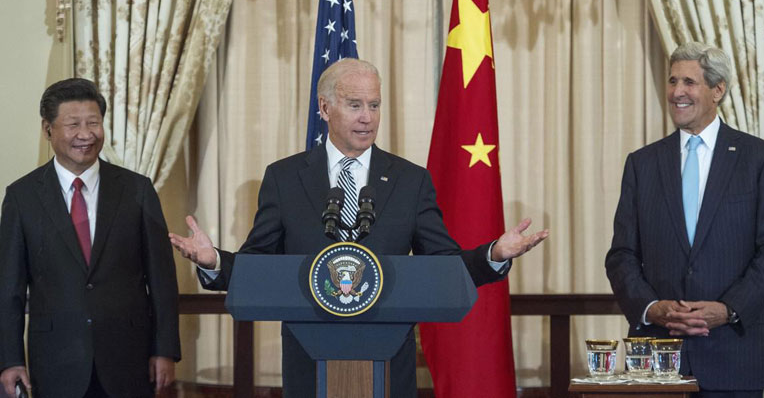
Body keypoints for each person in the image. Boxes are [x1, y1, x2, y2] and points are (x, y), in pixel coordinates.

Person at [169, 58, 549, 397]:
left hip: (388, 358)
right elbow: (258, 267)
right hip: (308, 354)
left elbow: (443, 267)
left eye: (374, 105)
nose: (367, 117)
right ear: (325, 107)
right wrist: (213, 260)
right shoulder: (284, 178)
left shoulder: (410, 180)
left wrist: (493, 255)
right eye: (354, 105)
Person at [606, 42, 764, 397]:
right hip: (657, 359)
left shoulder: (760, 158)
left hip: (733, 355)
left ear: (717, 90)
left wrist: (728, 309)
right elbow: (622, 255)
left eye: (689, 83)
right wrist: (651, 308)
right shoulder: (642, 164)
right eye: (673, 81)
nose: (678, 92)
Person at [0, 78, 181, 398]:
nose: (85, 134)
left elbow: (162, 277)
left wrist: (164, 349)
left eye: (94, 123)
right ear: (48, 129)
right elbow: (9, 288)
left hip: (128, 359)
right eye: (73, 124)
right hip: (55, 361)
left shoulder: (137, 190)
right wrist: (10, 359)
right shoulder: (21, 197)